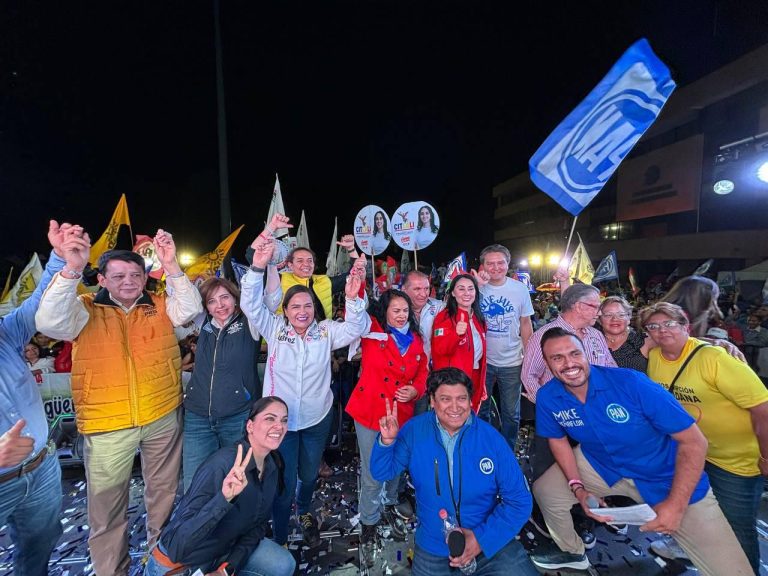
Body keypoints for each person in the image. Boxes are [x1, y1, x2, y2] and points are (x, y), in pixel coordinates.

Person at [36, 233, 203, 576]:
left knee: (165, 500)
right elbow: (49, 322)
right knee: (108, 512)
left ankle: (165, 566)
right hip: (106, 424)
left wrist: (171, 265)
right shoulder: (84, 308)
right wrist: (70, 270)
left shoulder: (158, 304)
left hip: (161, 416)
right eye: (118, 276)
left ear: (145, 277)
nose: (128, 282)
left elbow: (190, 309)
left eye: (135, 275)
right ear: (101, 279)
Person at [529, 327, 752, 575]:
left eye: (574, 353)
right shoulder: (549, 396)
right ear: (547, 364)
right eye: (557, 358)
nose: (568, 363)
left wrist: (677, 505)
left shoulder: (631, 382)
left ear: (586, 354)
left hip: (666, 475)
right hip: (601, 464)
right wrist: (577, 486)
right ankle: (572, 551)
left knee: (732, 571)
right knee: (545, 490)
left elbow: (694, 442)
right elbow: (557, 440)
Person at [241, 230, 367, 547]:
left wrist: (352, 299)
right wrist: (258, 266)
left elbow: (356, 327)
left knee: (309, 476)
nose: (302, 311)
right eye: (295, 306)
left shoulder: (325, 333)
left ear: (314, 309)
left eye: (307, 305)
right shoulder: (274, 329)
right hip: (281, 425)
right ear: (285, 310)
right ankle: (281, 535)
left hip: (315, 420)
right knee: (283, 483)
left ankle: (306, 510)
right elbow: (250, 305)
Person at [371, 367, 538, 576]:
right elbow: (382, 472)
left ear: (470, 401)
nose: (455, 407)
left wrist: (480, 540)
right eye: (445, 399)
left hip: (487, 540)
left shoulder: (491, 439)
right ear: (432, 401)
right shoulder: (414, 431)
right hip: (433, 547)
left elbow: (520, 501)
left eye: (461, 398)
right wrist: (386, 442)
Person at [642, 302, 768, 573]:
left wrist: (767, 456)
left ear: (685, 326)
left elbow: (763, 409)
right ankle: (694, 555)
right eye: (654, 326)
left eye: (669, 324)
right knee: (697, 515)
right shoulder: (654, 356)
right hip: (692, 454)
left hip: (735, 461)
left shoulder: (715, 358)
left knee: (736, 528)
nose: (662, 331)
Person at [0, 220, 80, 575]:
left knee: (38, 551)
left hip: (41, 467)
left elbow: (37, 307)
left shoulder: (5, 335)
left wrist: (59, 259)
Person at [145, 396, 295, 576]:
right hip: (181, 566)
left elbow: (257, 528)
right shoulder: (222, 464)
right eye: (270, 418)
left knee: (283, 564)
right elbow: (177, 545)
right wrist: (224, 499)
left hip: (223, 554)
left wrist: (227, 569)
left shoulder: (271, 466)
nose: (279, 426)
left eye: (284, 420)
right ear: (250, 426)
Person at [346, 289, 429, 565]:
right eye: (395, 310)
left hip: (401, 412)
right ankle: (369, 520)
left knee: (397, 464)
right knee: (373, 469)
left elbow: (423, 372)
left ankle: (391, 502)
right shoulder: (373, 331)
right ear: (384, 311)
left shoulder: (416, 339)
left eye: (405, 310)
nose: (401, 314)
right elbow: (357, 309)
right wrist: (356, 274)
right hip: (370, 411)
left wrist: (415, 391)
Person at [181, 277, 262, 491]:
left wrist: (265, 266)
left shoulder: (250, 324)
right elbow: (184, 302)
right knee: (195, 483)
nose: (220, 305)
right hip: (197, 417)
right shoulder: (204, 324)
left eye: (225, 297)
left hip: (237, 416)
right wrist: (172, 266)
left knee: (239, 480)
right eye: (212, 301)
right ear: (206, 306)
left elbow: (269, 300)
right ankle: (197, 524)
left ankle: (237, 524)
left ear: (236, 299)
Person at [474, 244, 534, 450]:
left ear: (508, 264)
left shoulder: (519, 289)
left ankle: (507, 449)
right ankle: (484, 445)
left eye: (500, 262)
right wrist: (476, 286)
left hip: (512, 361)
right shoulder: (474, 288)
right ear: (483, 265)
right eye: (490, 263)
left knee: (511, 412)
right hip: (482, 361)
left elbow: (526, 324)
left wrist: (530, 356)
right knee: (481, 408)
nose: (496, 267)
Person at [257, 214, 363, 321]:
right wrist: (271, 227)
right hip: (284, 336)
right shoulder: (278, 280)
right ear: (290, 265)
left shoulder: (324, 281)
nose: (306, 264)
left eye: (310, 260)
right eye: (300, 261)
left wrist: (351, 249)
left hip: (322, 336)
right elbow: (252, 255)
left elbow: (353, 276)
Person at [521, 283, 616, 403]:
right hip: (563, 411)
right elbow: (529, 375)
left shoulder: (596, 334)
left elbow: (611, 369)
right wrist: (547, 404)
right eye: (596, 307)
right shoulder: (543, 336)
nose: (600, 313)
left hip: (599, 407)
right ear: (579, 306)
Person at [431, 274, 487, 412]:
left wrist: (481, 383)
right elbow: (440, 350)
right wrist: (455, 334)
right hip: (452, 382)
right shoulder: (444, 317)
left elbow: (480, 355)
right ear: (453, 293)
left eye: (471, 289)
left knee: (470, 422)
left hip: (474, 377)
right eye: (461, 289)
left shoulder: (478, 318)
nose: (467, 293)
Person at [402, 270, 444, 415]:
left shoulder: (439, 307)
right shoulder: (393, 307)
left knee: (419, 419)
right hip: (400, 376)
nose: (423, 293)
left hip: (424, 376)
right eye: (417, 289)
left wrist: (479, 286)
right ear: (404, 290)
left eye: (426, 288)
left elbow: (464, 304)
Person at [597, 295, 653, 372]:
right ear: (599, 319)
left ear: (629, 318)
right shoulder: (592, 341)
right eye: (608, 315)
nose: (615, 319)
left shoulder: (644, 340)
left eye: (621, 315)